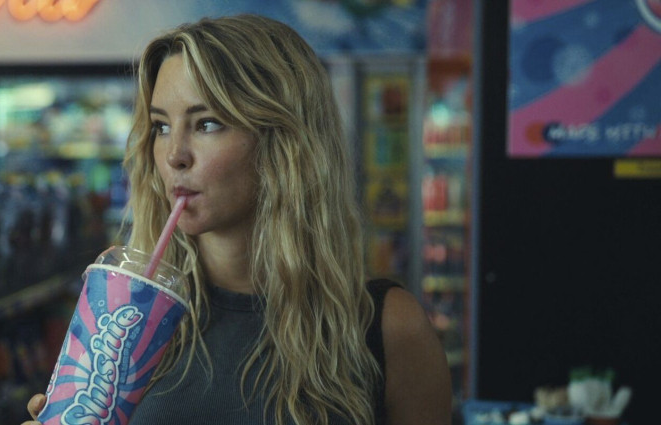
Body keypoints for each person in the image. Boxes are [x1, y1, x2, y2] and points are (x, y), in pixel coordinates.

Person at [24, 14, 450, 425]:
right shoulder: (127, 316)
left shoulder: (388, 328)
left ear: (284, 142)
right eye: (161, 127)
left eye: (207, 124)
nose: (174, 156)